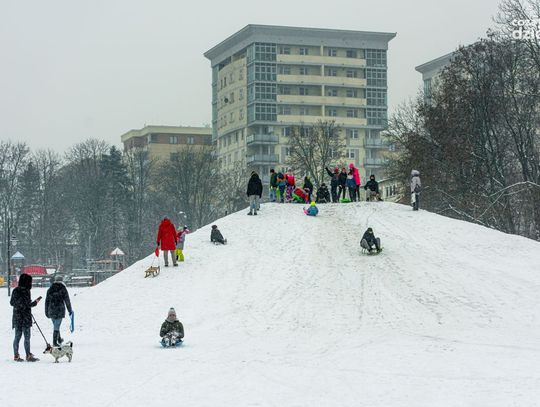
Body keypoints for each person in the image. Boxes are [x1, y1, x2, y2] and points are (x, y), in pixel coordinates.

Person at [11, 273, 41, 362]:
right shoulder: (27, 291)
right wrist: (35, 302)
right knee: (27, 338)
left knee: (17, 337)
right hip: (25, 317)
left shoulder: (15, 290)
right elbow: (27, 305)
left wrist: (19, 304)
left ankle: (16, 355)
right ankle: (28, 355)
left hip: (17, 317)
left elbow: (12, 303)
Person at [45, 275, 73, 347]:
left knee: (56, 325)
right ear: (62, 281)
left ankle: (59, 339)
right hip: (59, 309)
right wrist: (70, 310)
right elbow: (67, 300)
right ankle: (54, 342)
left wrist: (46, 311)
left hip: (51, 309)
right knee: (57, 326)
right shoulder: (63, 288)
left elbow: (47, 301)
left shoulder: (50, 289)